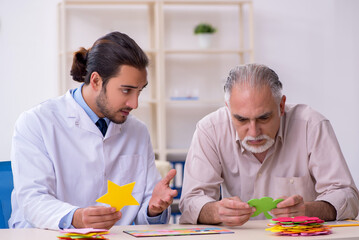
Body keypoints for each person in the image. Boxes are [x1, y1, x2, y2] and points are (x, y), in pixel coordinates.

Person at [9, 31, 177, 230]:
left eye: (139, 91)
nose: (135, 103)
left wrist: (153, 209)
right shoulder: (36, 122)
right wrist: (75, 217)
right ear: (96, 81)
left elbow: (142, 217)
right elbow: (32, 200)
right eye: (126, 90)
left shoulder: (137, 131)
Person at [179, 63, 359, 226]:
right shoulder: (209, 129)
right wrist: (217, 211)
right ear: (228, 108)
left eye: (263, 118)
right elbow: (190, 202)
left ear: (281, 106)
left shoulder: (311, 125)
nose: (254, 132)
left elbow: (348, 197)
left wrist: (307, 210)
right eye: (241, 119)